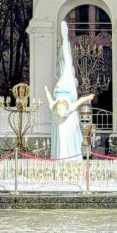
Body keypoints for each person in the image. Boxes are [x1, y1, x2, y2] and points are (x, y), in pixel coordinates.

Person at [45, 21, 94, 162]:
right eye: (61, 112)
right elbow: (80, 100)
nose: (60, 113)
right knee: (66, 66)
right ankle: (65, 41)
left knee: (64, 67)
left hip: (61, 88)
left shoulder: (54, 107)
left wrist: (47, 91)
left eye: (59, 111)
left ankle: (65, 41)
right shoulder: (69, 108)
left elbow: (49, 99)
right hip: (70, 91)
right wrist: (88, 96)